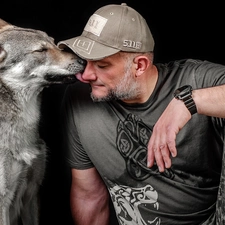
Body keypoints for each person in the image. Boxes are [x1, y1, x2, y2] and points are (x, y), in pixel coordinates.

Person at [57, 3, 225, 225]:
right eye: (85, 61)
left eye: (101, 65)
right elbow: (90, 196)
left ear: (140, 65)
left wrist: (188, 102)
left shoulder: (198, 80)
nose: (86, 75)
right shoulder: (80, 100)